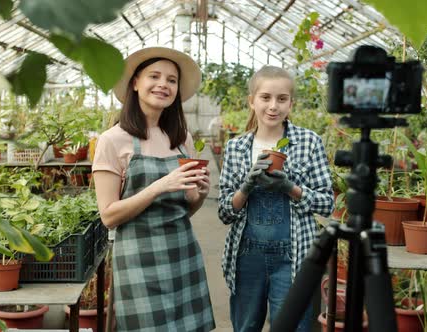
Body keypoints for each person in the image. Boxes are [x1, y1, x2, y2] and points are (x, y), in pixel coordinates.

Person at [93, 47, 216, 332]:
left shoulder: (180, 138)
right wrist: (160, 186)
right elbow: (109, 216)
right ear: (135, 83)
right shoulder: (113, 141)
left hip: (182, 252)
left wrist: (199, 194)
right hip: (139, 258)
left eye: (171, 80)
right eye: (154, 76)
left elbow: (186, 207)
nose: (163, 84)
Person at [218, 65, 334, 332]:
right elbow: (225, 212)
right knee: (246, 326)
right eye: (265, 97)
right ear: (251, 101)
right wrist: (245, 188)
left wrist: (290, 187)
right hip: (247, 255)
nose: (273, 106)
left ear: (291, 103)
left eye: (282, 99)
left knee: (292, 326)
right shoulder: (236, 147)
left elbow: (327, 203)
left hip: (293, 255)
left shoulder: (308, 142)